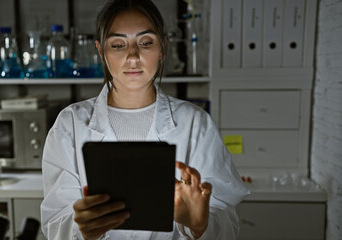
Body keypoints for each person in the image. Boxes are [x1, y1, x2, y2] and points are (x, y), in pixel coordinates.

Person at [41, 0, 249, 239]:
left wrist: (199, 224)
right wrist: (81, 228)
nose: (133, 56)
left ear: (162, 47)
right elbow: (56, 222)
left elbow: (227, 225)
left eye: (146, 42)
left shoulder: (195, 124)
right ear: (100, 50)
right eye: (118, 45)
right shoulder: (69, 125)